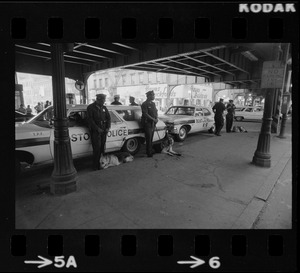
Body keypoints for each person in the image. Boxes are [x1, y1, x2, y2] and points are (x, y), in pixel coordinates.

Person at [87, 94, 111, 170]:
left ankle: (102, 164)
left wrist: (108, 127)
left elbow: (109, 118)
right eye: (102, 101)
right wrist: (97, 129)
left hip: (104, 130)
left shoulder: (104, 107)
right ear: (97, 100)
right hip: (96, 131)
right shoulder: (90, 107)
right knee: (96, 149)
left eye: (104, 100)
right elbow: (90, 120)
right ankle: (95, 166)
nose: (103, 102)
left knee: (102, 148)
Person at [141, 90, 158, 157]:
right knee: (148, 138)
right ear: (149, 96)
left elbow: (155, 111)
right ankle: (149, 152)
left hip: (153, 123)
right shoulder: (144, 104)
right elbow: (145, 114)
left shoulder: (153, 104)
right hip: (147, 123)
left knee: (151, 138)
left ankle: (150, 150)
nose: (154, 96)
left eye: (154, 95)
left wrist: (156, 118)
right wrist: (153, 119)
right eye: (153, 95)